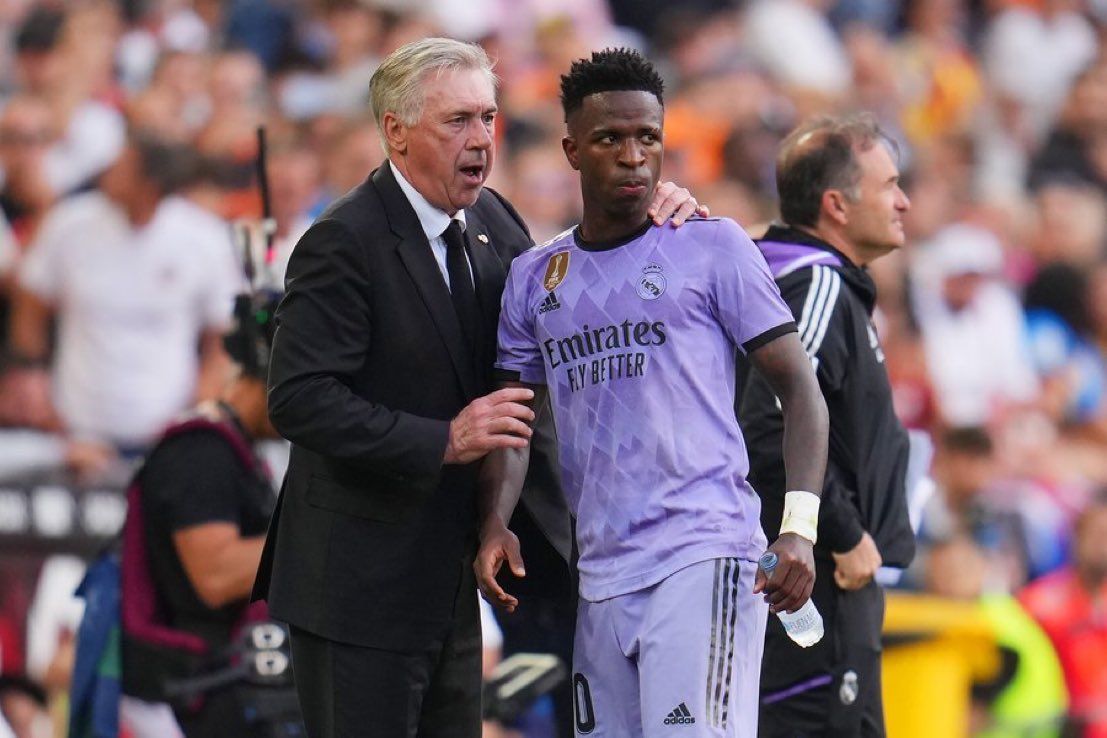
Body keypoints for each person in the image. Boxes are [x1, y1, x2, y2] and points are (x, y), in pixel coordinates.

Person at [252, 37, 702, 738]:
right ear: (395, 132)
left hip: (452, 579)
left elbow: (565, 309)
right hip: (356, 589)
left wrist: (645, 219)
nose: (481, 140)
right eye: (456, 121)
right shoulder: (343, 240)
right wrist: (444, 439)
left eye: (488, 119)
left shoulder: (492, 220)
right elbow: (299, 398)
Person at [475, 48, 828, 738]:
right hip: (601, 570)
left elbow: (801, 388)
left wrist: (798, 529)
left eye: (648, 138)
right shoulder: (532, 278)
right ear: (573, 150)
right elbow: (514, 420)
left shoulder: (712, 246)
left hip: (703, 550)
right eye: (610, 139)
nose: (634, 156)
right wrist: (494, 520)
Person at [736, 113, 916, 737]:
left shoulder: (823, 284)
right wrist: (837, 532)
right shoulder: (812, 284)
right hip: (813, 587)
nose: (904, 200)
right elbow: (769, 416)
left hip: (831, 581)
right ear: (837, 204)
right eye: (889, 184)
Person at [121, 291, 284, 737]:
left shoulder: (240, 451)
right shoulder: (199, 450)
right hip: (193, 692)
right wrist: (323, 533)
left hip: (234, 682)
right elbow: (214, 576)